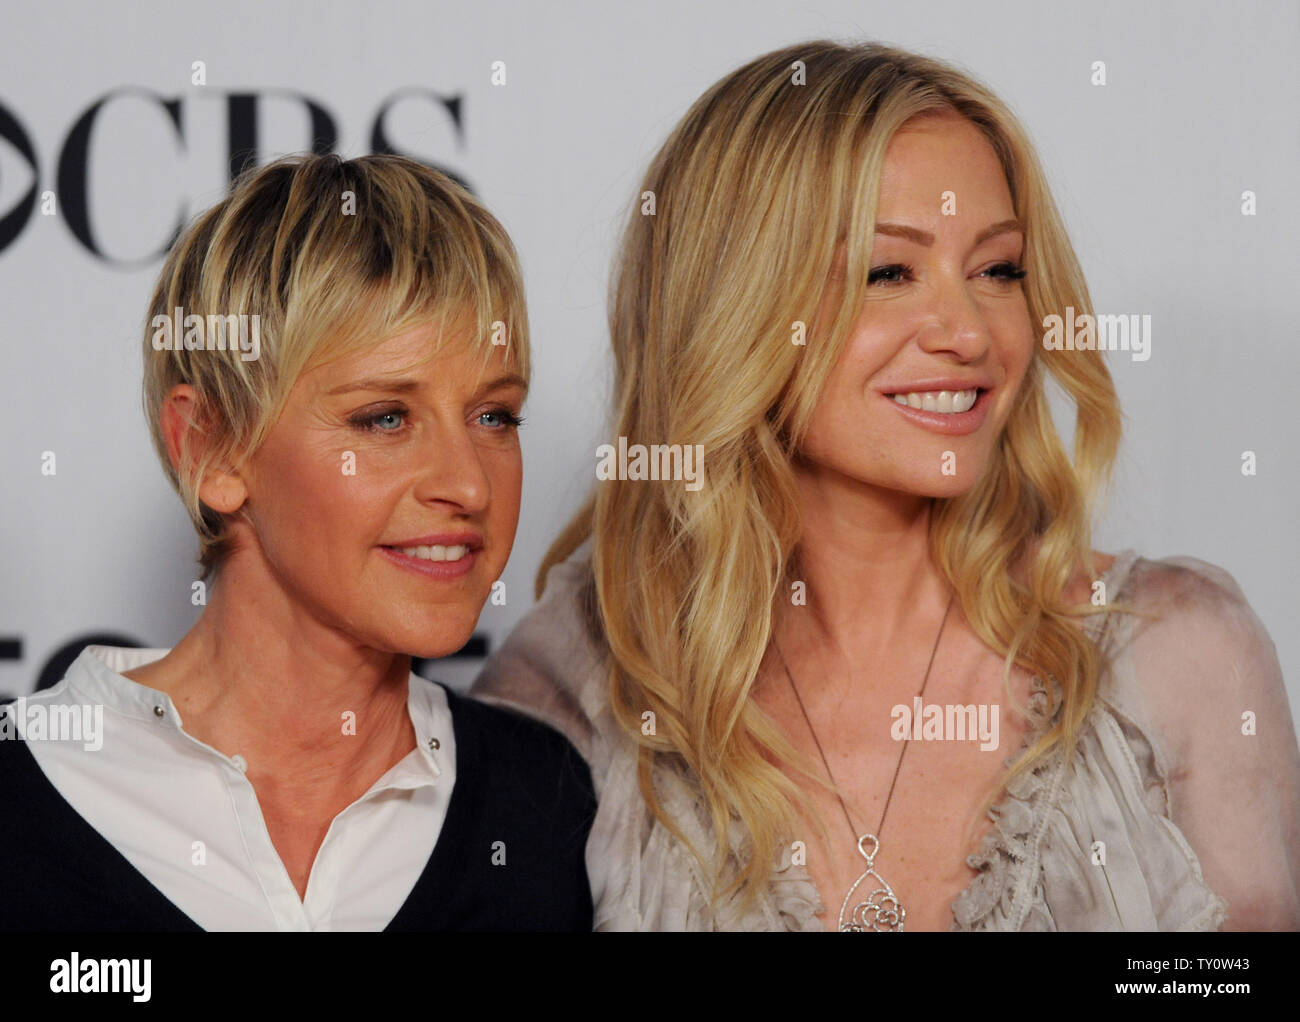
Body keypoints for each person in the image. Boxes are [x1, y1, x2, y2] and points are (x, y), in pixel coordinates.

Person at [471, 40, 1300, 931]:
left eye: (998, 269)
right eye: (889, 273)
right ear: (736, 307)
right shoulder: (589, 679)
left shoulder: (1174, 651)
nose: (969, 332)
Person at [0, 153, 595, 931]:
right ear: (211, 449)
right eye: (385, 418)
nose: (470, 485)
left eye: (495, 417)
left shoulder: (546, 804)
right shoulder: (22, 804)